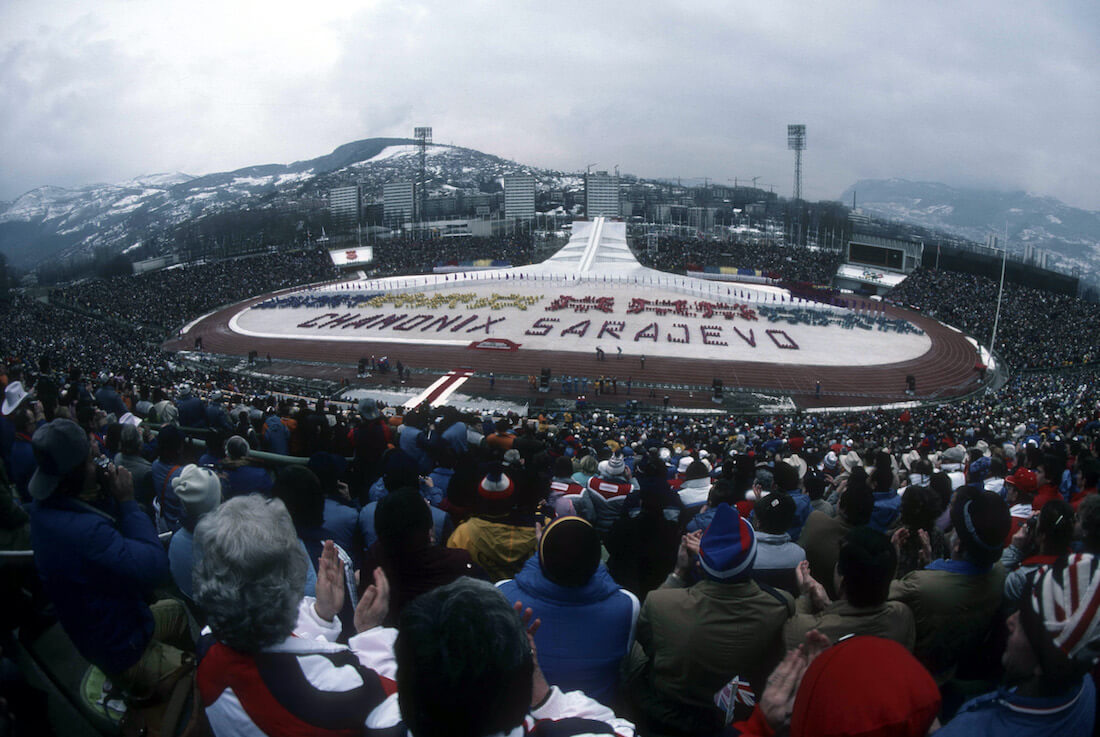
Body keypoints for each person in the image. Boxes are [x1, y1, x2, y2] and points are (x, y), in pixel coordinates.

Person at [193, 495, 394, 735]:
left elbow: (278, 653)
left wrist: (322, 615)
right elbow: (397, 699)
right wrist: (370, 634)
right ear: (294, 577)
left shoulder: (206, 644)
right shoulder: (334, 686)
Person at [28, 418, 191, 699]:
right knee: (200, 673)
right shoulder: (85, 533)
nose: (99, 463)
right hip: (124, 649)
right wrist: (126, 500)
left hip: (111, 627)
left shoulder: (47, 509)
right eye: (92, 460)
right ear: (75, 475)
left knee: (176, 612)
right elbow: (155, 567)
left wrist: (104, 492)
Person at [627, 503, 793, 734]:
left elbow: (647, 641)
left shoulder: (659, 603)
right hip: (740, 714)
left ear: (700, 563)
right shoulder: (781, 604)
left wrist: (678, 572)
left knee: (633, 646)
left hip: (669, 712)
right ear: (752, 559)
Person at [935, 554, 1100, 735]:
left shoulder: (969, 730)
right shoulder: (1082, 681)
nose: (1010, 620)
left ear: (1043, 663)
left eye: (1023, 623)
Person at [497, 516, 639, 704]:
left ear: (542, 557)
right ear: (597, 558)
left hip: (523, 718)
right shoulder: (627, 605)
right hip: (596, 722)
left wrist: (543, 550)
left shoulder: (501, 594)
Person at [889, 486, 1010, 683]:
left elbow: (882, 598)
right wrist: (931, 565)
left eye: (955, 530)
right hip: (963, 667)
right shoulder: (1000, 573)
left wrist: (894, 555)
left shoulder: (920, 586)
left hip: (921, 676)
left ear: (958, 544)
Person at [784, 527, 915, 650]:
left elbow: (795, 629)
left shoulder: (806, 630)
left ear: (842, 580)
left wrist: (805, 594)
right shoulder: (902, 616)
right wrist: (828, 605)